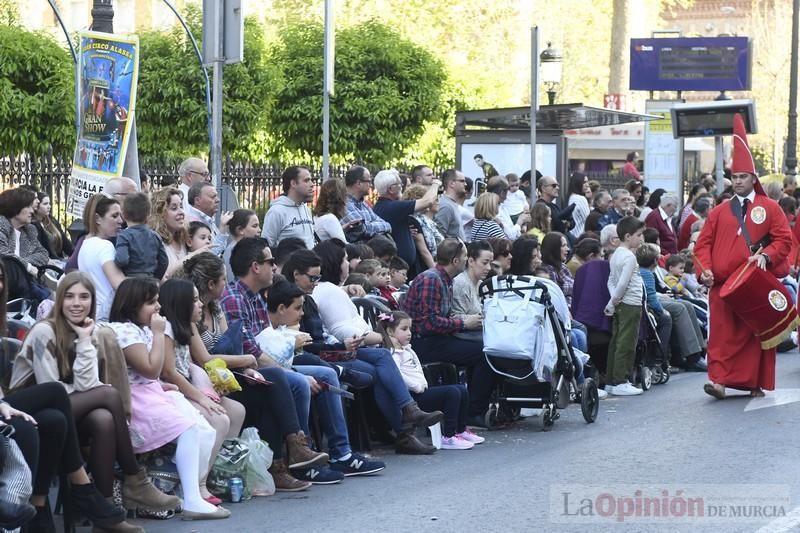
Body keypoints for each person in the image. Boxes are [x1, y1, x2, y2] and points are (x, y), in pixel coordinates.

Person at [10, 272, 180, 520]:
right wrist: (94, 390)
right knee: (108, 394)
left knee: (103, 419)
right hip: (32, 410)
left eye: (84, 297)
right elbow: (50, 390)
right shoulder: (43, 332)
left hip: (66, 407)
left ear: (93, 302)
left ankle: (106, 512)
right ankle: (134, 478)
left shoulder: (85, 331)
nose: (76, 303)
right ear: (59, 301)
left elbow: (87, 384)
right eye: (69, 297)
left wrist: (84, 340)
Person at [179, 252, 329, 492]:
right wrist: (246, 359)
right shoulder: (191, 317)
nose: (226, 286)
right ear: (211, 284)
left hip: (229, 377)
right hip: (208, 382)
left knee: (271, 384)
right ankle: (291, 451)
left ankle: (286, 456)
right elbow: (204, 358)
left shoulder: (217, 310)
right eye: (223, 281)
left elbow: (230, 343)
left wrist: (248, 367)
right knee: (276, 381)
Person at [107, 278, 230, 520]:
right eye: (151, 302)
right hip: (134, 398)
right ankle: (193, 498)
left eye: (158, 302)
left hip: (151, 391)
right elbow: (152, 369)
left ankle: (193, 492)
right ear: (132, 305)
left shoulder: (140, 329)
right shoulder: (124, 330)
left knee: (196, 427)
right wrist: (157, 332)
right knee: (189, 429)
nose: (157, 308)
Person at [309, 240, 446, 454]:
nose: (348, 263)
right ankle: (406, 421)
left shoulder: (332, 290)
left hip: (344, 347)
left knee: (380, 363)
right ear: (335, 262)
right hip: (337, 349)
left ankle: (405, 424)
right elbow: (343, 331)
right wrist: (375, 336)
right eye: (345, 259)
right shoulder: (328, 291)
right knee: (380, 362)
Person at [695, 114, 795, 399]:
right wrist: (706, 270)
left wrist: (766, 256)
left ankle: (754, 383)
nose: (737, 182)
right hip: (723, 287)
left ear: (753, 178)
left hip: (754, 284)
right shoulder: (719, 211)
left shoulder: (770, 208)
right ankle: (718, 382)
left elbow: (783, 240)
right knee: (721, 337)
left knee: (755, 337)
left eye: (742, 177)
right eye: (734, 177)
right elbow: (701, 246)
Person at [158, 279, 246, 502]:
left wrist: (209, 387)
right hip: (171, 392)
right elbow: (169, 372)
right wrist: (200, 396)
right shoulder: (167, 329)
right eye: (195, 300)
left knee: (236, 411)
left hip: (189, 386)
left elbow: (195, 363)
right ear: (180, 303)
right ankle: (197, 484)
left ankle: (218, 471)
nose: (200, 305)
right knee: (219, 420)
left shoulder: (187, 326)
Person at [403, 239, 496, 428]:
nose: (466, 260)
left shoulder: (446, 280)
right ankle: (473, 413)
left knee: (487, 347)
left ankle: (471, 407)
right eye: (464, 257)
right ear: (455, 261)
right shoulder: (431, 279)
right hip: (423, 342)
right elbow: (430, 324)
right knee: (484, 354)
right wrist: (463, 323)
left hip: (439, 339)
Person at [378, 310, 485, 450]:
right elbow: (396, 376)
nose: (409, 333)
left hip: (422, 389)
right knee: (452, 393)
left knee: (461, 389)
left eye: (410, 328)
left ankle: (461, 429)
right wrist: (417, 385)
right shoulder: (392, 354)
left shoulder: (407, 349)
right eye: (404, 329)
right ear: (390, 332)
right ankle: (448, 436)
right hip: (412, 397)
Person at [604, 216, 646, 396]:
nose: (641, 239)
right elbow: (622, 282)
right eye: (639, 235)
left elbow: (611, 281)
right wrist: (614, 300)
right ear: (628, 236)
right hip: (630, 303)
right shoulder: (629, 257)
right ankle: (621, 380)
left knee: (616, 341)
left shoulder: (615, 255)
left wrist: (613, 299)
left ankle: (611, 381)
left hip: (621, 302)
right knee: (627, 342)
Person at [372, 169, 441, 271]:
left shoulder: (382, 206)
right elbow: (428, 202)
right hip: (396, 270)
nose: (403, 187)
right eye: (399, 184)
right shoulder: (394, 207)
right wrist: (435, 184)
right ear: (391, 189)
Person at [77, 193, 125, 321]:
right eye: (114, 216)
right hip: (108, 317)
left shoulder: (85, 244)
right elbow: (120, 285)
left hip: (94, 315)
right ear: (97, 219)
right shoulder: (104, 246)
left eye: (120, 215)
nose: (120, 220)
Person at [0, 187, 51, 302]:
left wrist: (22, 263)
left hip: (27, 287)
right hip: (8, 291)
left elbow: (43, 254)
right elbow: (3, 253)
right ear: (16, 207)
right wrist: (28, 267)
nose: (32, 211)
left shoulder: (29, 230)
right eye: (28, 207)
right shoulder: (1, 225)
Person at [150, 187, 209, 280]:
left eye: (181, 206)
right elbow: (163, 276)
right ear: (160, 213)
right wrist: (194, 255)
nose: (181, 212)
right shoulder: (154, 241)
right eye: (174, 208)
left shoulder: (184, 239)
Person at [115, 192, 168, 279]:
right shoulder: (155, 236)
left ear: (123, 215)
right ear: (148, 215)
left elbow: (122, 259)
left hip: (131, 281)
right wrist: (156, 278)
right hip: (151, 280)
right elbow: (164, 262)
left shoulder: (124, 236)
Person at [262, 166, 315, 249]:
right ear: (293, 183)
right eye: (306, 180)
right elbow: (266, 246)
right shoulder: (276, 212)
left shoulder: (306, 210)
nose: (312, 184)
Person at [340, 166, 391, 240]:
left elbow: (387, 225)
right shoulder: (345, 204)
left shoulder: (363, 204)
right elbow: (361, 229)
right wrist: (371, 226)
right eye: (369, 181)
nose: (371, 185)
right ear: (359, 183)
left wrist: (369, 226)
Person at [404, 184, 445, 270]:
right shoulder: (414, 220)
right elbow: (424, 251)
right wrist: (436, 271)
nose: (434, 201)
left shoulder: (426, 221)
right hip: (424, 268)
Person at [185, 182, 231, 255]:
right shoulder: (191, 223)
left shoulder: (208, 219)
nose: (218, 200)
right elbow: (211, 254)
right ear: (197, 201)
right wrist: (222, 229)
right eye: (213, 197)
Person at [452, 240, 493, 321]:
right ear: (471, 261)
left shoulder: (482, 285)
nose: (489, 268)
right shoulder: (460, 284)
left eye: (490, 263)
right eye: (485, 263)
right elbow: (454, 317)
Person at [313, 178, 359, 243]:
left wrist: (341, 228)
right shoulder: (330, 218)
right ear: (340, 198)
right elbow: (344, 246)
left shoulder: (318, 216)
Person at [222, 209, 261, 282]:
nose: (259, 230)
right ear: (240, 230)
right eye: (255, 226)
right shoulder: (232, 251)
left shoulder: (248, 249)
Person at [33, 191, 73, 260]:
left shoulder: (51, 220)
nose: (49, 206)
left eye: (49, 203)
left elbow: (65, 241)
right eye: (45, 204)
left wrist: (75, 255)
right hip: (48, 263)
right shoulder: (33, 225)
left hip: (59, 260)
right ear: (36, 206)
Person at [434, 169, 468, 241]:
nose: (465, 184)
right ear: (452, 183)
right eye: (462, 181)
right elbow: (438, 237)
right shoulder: (446, 206)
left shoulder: (451, 203)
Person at [567, 172, 591, 239]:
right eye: (584, 182)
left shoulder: (571, 197)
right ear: (577, 183)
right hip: (580, 236)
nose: (587, 185)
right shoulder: (580, 198)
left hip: (572, 235)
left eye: (587, 182)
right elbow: (588, 220)